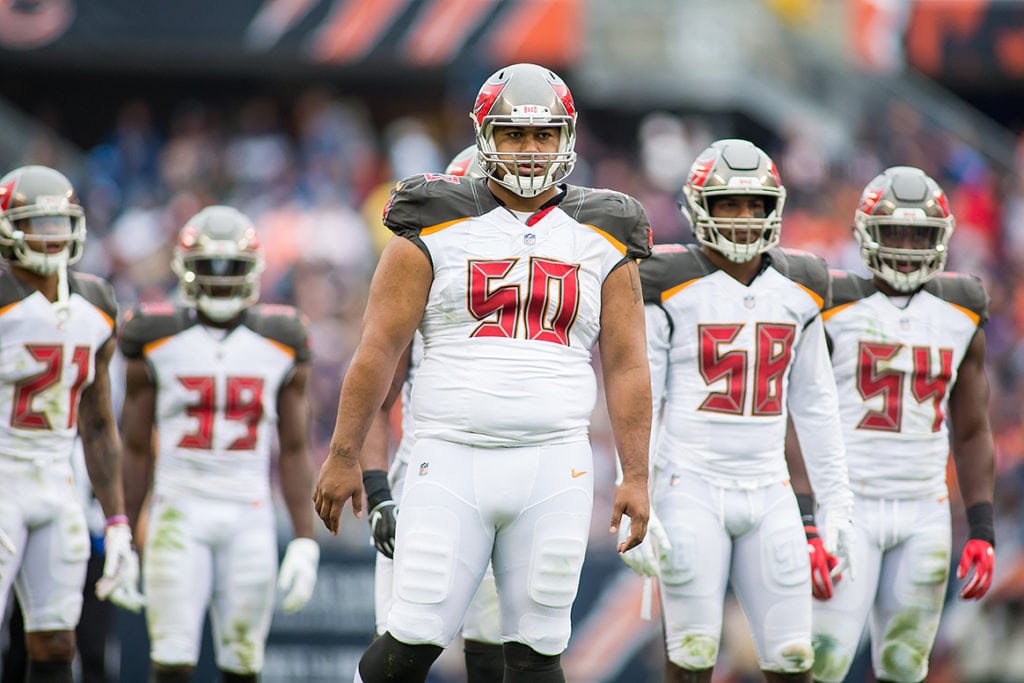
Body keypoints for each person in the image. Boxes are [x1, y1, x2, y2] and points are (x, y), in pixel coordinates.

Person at [313, 62, 654, 683]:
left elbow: (627, 364)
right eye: (514, 135)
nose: (530, 150)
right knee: (410, 640)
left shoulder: (606, 231)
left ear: (567, 137)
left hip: (556, 461)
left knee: (538, 650)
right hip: (449, 454)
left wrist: (636, 473)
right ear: (483, 136)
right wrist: (343, 454)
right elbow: (377, 352)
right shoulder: (432, 222)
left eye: (543, 134)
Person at [632, 139, 855, 682]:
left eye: (754, 204)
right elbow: (641, 398)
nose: (743, 216)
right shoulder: (668, 280)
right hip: (690, 486)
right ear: (698, 207)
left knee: (794, 658)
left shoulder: (801, 285)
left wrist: (837, 499)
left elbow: (816, 403)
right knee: (691, 654)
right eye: (728, 203)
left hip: (770, 489)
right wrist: (635, 486)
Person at [799, 166, 995, 683]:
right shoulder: (830, 302)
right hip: (846, 508)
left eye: (920, 234)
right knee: (823, 664)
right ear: (867, 233)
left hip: (924, 511)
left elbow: (973, 428)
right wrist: (806, 517)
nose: (907, 246)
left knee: (906, 668)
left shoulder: (962, 310)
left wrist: (982, 527)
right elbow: (799, 418)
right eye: (895, 232)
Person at [119, 205, 320, 683]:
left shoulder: (284, 337)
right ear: (187, 268)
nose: (223, 277)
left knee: (243, 665)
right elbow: (134, 447)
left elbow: (293, 448)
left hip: (248, 513)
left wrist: (305, 540)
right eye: (211, 265)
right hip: (177, 512)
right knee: (170, 662)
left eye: (233, 266)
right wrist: (123, 531)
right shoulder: (153, 333)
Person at [360, 145, 504, 682]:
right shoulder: (419, 271)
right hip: (426, 473)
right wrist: (378, 490)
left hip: (507, 473)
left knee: (497, 653)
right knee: (402, 644)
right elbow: (375, 391)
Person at [0, 164, 143, 683]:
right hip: (2, 478)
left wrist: (118, 521)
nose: (52, 236)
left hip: (57, 482)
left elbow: (99, 422)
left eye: (60, 223)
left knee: (57, 643)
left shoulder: (96, 302)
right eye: (38, 224)